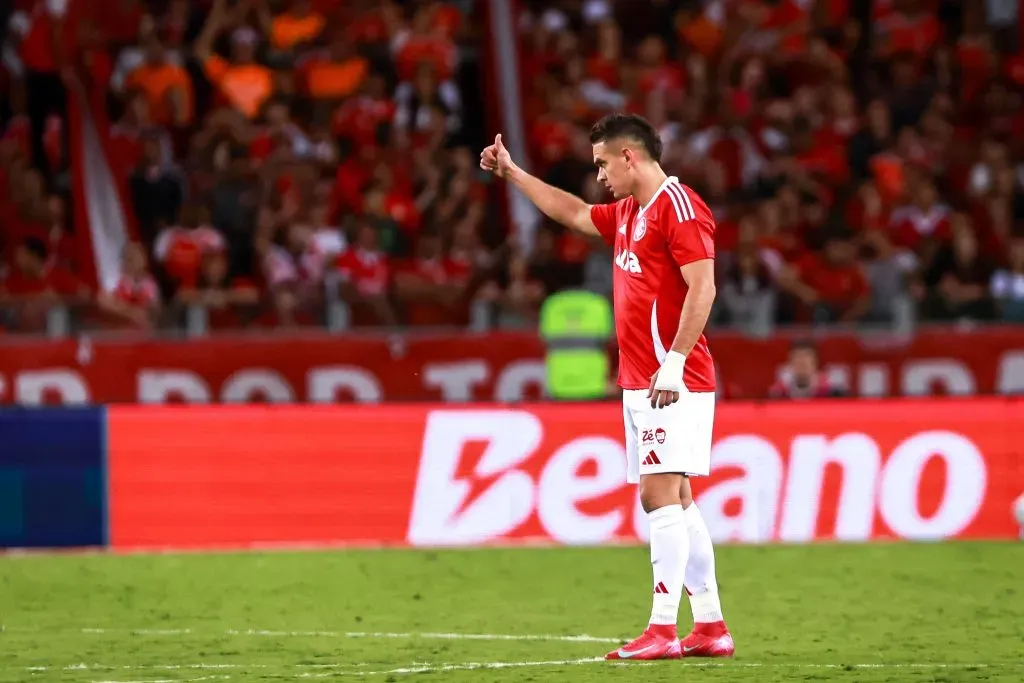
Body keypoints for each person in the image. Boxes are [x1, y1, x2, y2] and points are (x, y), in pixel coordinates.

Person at [480, 113, 733, 661]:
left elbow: (704, 287)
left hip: (674, 379)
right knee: (680, 500)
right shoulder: (629, 213)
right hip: (642, 379)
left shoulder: (679, 207)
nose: (598, 176)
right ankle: (710, 625)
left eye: (600, 164)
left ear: (628, 156)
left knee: (656, 496)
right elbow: (571, 211)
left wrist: (674, 362)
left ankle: (663, 629)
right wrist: (514, 173)